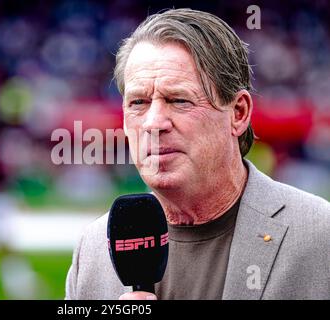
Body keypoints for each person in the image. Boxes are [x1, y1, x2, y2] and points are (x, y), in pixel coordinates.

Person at [65, 8, 330, 300]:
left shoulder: (319, 235)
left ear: (238, 113)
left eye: (178, 100)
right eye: (138, 102)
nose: (154, 123)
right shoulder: (93, 251)